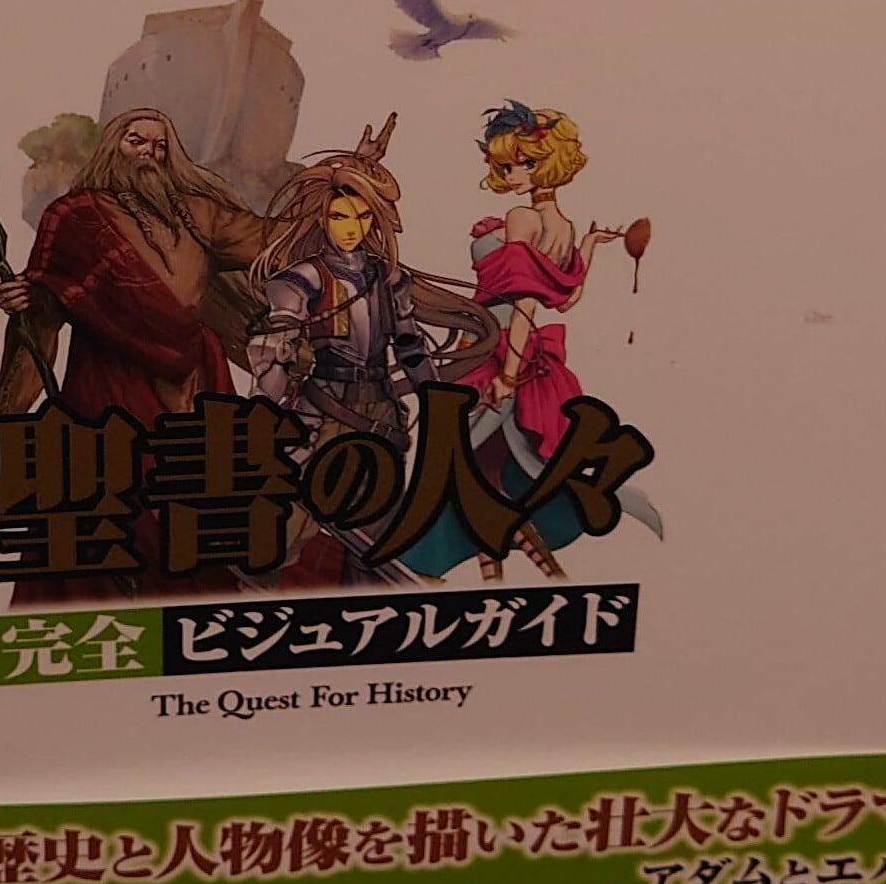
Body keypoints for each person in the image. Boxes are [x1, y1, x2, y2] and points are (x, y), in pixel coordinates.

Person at [0, 108, 266, 597]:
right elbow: (49, 294)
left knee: (195, 506)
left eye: (159, 146)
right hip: (108, 383)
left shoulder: (198, 213)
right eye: (136, 141)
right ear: (113, 146)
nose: (148, 154)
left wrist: (341, 185)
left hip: (193, 386)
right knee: (114, 503)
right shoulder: (74, 216)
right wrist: (30, 297)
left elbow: (273, 239)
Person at [245, 117, 495, 585]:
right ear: (322, 219)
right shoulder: (303, 279)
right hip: (322, 413)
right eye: (340, 217)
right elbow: (276, 347)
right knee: (280, 534)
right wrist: (268, 398)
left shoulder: (388, 278)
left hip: (381, 414)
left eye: (362, 218)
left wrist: (436, 400)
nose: (351, 229)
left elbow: (410, 346)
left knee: (377, 540)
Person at [402, 101, 633, 582]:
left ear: (548, 161)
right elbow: (566, 300)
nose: (511, 175)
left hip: (501, 350)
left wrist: (507, 374)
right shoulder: (565, 228)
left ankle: (439, 564)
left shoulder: (522, 218)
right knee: (484, 471)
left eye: (523, 163)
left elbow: (527, 300)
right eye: (505, 165)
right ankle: (512, 577)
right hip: (515, 348)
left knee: (457, 461)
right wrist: (589, 247)